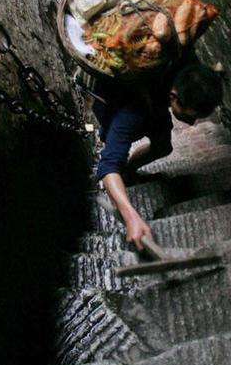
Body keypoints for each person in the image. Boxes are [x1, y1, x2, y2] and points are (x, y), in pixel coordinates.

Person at [93, 58, 224, 250]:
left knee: (163, 147)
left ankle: (130, 169)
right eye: (189, 116)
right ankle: (124, 171)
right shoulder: (132, 114)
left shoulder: (187, 67)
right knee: (116, 156)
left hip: (155, 102)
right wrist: (131, 217)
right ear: (173, 96)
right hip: (119, 103)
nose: (193, 123)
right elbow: (107, 168)